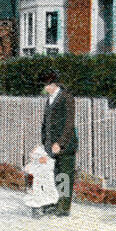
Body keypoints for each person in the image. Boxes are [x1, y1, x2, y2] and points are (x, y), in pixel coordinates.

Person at [38, 70, 77, 216]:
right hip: (51, 145)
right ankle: (58, 202)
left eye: (46, 85)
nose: (45, 88)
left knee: (65, 176)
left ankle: (64, 208)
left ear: (53, 84)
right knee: (56, 175)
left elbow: (69, 123)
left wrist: (60, 143)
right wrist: (45, 141)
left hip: (65, 146)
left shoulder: (66, 98)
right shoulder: (49, 99)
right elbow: (46, 123)